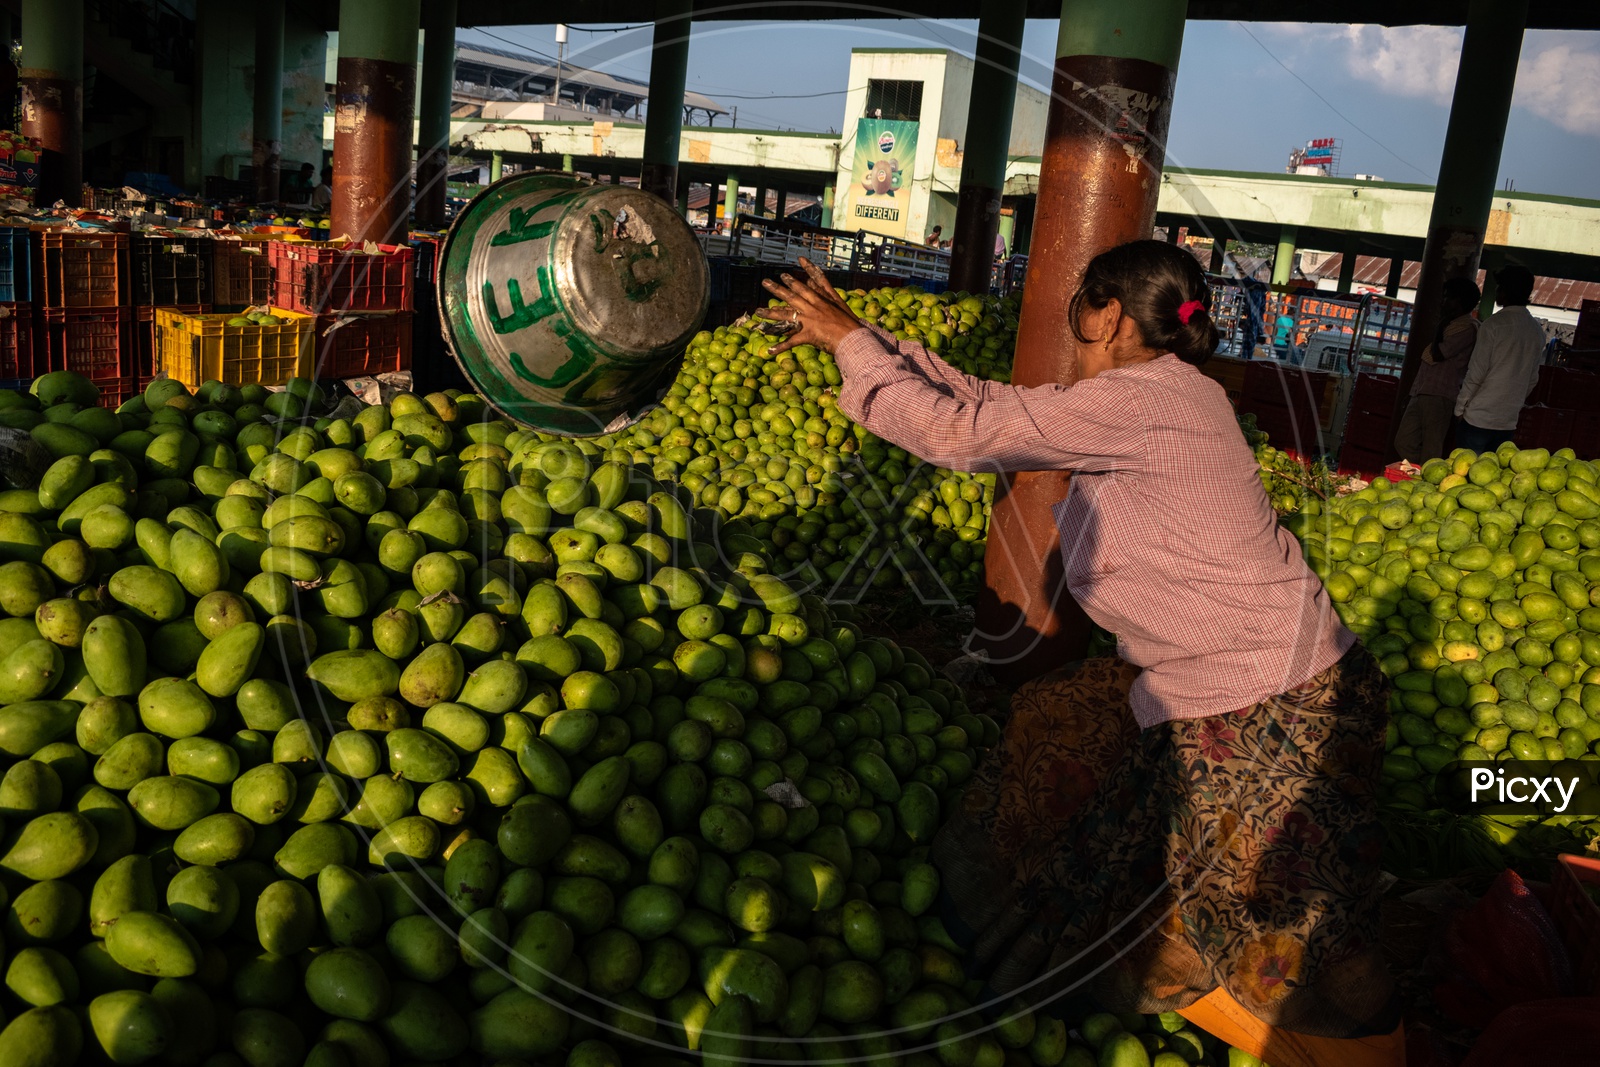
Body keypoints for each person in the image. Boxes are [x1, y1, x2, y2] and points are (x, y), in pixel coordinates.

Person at [757, 246, 1403, 1066]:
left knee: (1296, 933)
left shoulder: (1142, 405)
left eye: (1080, 303)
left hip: (1271, 698)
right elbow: (996, 404)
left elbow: (962, 434)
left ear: (1105, 314)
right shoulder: (1150, 395)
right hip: (1206, 682)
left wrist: (850, 345)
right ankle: (1034, 963)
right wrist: (863, 336)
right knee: (1062, 746)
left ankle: (1357, 1052)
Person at [1455, 263, 1545, 453]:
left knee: (1465, 474)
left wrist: (1460, 408)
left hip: (1478, 418)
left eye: (1499, 286)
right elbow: (1533, 379)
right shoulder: (1536, 331)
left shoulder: (1493, 325)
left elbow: (1476, 373)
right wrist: (1513, 404)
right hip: (1507, 422)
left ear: (1505, 291)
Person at [1393, 277, 1481, 461]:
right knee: (1403, 441)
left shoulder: (1467, 328)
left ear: (1461, 301)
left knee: (1431, 448)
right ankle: (1416, 474)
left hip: (1441, 395)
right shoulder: (1450, 326)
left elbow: (1439, 354)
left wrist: (1440, 325)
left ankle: (1425, 483)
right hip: (1423, 391)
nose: (1443, 302)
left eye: (1448, 298)